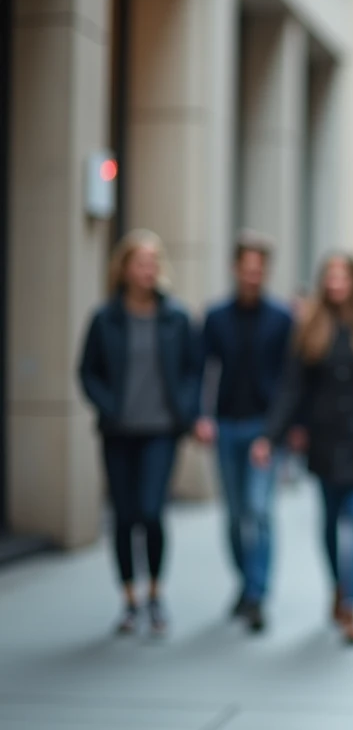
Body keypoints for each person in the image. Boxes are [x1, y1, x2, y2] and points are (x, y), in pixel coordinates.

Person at [251, 255, 353, 645]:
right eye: (331, 276)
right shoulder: (310, 329)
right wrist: (271, 436)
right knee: (329, 521)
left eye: (344, 275)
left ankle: (352, 603)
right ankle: (338, 586)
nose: (337, 282)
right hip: (325, 441)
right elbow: (291, 388)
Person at [78, 230, 201, 637]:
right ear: (124, 269)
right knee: (125, 515)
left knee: (151, 511)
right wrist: (108, 404)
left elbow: (193, 370)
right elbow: (87, 371)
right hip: (118, 431)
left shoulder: (176, 318)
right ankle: (129, 600)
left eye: (153, 263)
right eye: (140, 263)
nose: (148, 270)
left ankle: (155, 594)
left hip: (161, 430)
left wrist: (185, 410)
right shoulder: (105, 318)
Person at [194, 232, 293, 634]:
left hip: (263, 429)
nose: (253, 275)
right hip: (226, 426)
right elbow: (200, 371)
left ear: (265, 272)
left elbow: (290, 380)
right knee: (235, 517)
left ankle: (257, 594)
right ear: (236, 269)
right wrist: (200, 416)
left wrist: (279, 431)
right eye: (246, 268)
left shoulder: (282, 318)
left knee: (260, 511)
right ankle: (245, 582)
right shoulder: (216, 317)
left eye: (259, 269)